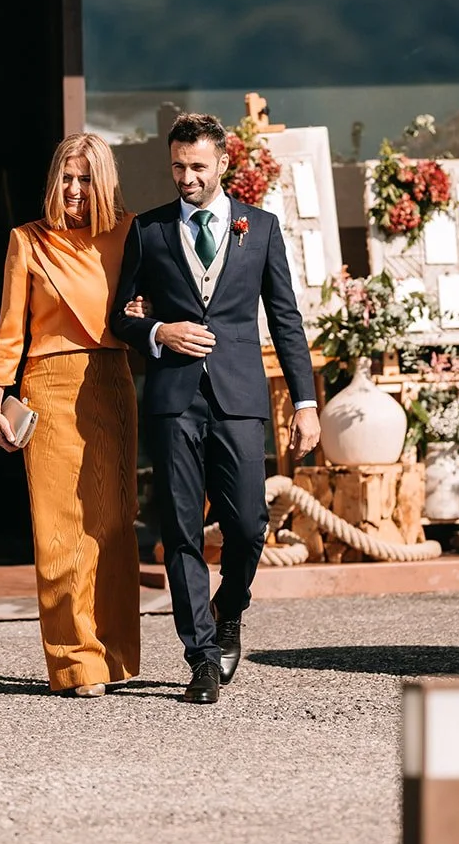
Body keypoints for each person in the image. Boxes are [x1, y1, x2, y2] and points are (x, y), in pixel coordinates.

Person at [111, 112, 321, 706]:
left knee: (249, 525)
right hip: (174, 401)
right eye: (178, 167)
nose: (187, 178)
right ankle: (201, 657)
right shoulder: (148, 230)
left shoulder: (262, 227)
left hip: (239, 397)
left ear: (223, 163)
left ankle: (231, 608)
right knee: (180, 530)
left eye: (198, 166)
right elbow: (120, 316)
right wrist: (160, 332)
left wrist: (305, 402)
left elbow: (285, 319)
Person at [0, 133, 141, 698]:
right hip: (47, 384)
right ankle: (76, 663)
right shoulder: (27, 240)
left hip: (111, 380)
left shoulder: (130, 233)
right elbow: (10, 328)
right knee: (59, 529)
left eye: (85, 178)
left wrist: (145, 311)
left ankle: (114, 655)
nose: (74, 189)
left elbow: (152, 304)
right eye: (67, 178)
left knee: (113, 525)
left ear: (104, 182)